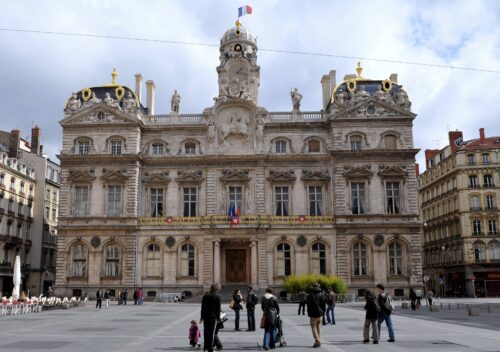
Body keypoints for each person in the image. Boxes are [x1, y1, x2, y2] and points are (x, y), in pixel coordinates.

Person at [200, 283, 221, 352]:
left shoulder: (205, 296)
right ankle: (210, 347)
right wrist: (218, 318)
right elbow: (218, 309)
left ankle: (205, 346)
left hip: (206, 317)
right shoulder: (217, 297)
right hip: (213, 317)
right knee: (211, 332)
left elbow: (203, 307)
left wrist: (202, 317)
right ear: (216, 289)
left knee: (206, 332)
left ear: (210, 288)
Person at [307, 283, 327, 348]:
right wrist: (323, 312)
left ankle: (317, 340)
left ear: (313, 287)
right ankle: (318, 341)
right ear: (319, 287)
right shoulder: (322, 295)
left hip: (313, 314)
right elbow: (324, 305)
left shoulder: (310, 295)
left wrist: (309, 313)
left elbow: (308, 306)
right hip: (320, 313)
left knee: (313, 327)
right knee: (318, 326)